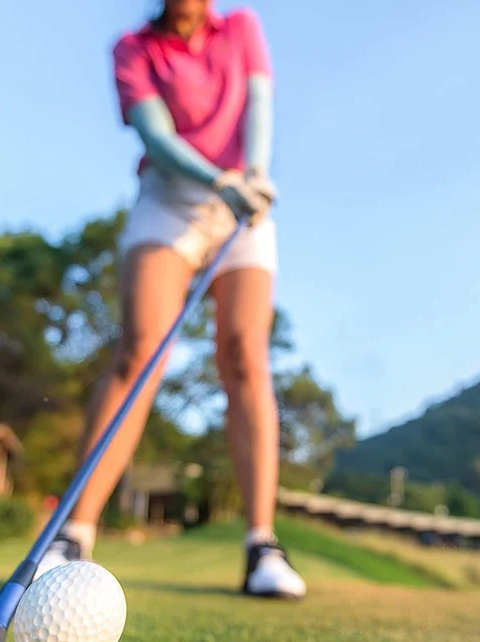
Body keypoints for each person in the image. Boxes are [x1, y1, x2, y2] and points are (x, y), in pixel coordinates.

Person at [36, 0, 306, 599]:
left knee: (243, 356)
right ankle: (74, 533)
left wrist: (253, 174)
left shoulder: (240, 27)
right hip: (172, 198)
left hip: (245, 197)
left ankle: (262, 544)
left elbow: (258, 105)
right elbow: (156, 137)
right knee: (141, 351)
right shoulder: (134, 48)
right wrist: (219, 182)